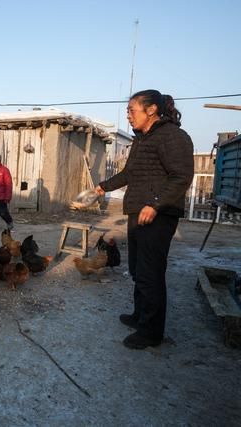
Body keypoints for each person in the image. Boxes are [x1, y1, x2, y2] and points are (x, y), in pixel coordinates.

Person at [95, 90, 194, 350]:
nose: (128, 115)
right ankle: (140, 316)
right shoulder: (141, 139)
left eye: (131, 110)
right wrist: (103, 186)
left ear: (151, 110)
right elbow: (130, 173)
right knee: (139, 269)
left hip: (158, 215)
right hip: (138, 211)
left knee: (151, 273)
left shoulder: (173, 137)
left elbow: (181, 177)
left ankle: (151, 333)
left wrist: (156, 204)